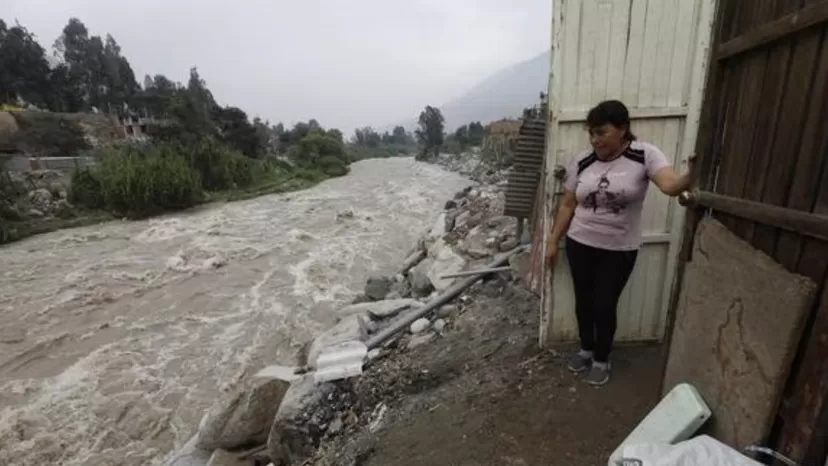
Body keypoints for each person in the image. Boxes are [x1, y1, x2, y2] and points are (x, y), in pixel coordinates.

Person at [545, 100, 693, 386]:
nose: (595, 140)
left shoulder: (645, 155)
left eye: (601, 132)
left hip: (618, 249)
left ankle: (602, 358)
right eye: (591, 133)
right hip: (580, 242)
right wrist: (553, 240)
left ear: (623, 128)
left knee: (604, 303)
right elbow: (566, 205)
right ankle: (586, 348)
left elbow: (671, 186)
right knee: (584, 301)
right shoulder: (584, 160)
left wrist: (692, 175)